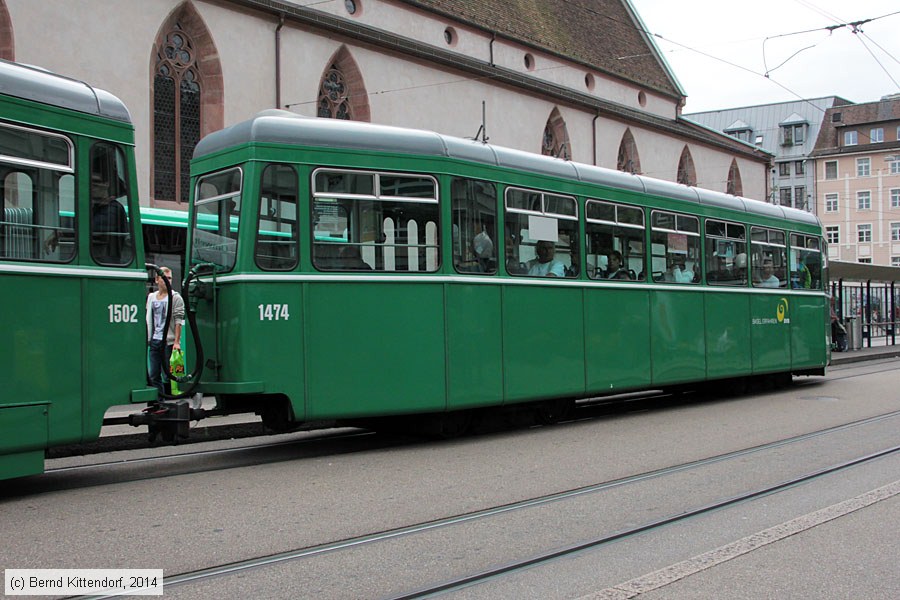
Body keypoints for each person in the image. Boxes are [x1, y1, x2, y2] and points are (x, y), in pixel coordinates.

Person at [146, 266, 185, 396]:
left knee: (168, 374)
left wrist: (177, 341)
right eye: (165, 278)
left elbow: (178, 320)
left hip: (168, 341)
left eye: (170, 278)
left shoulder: (175, 297)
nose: (168, 281)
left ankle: (170, 397)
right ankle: (159, 401)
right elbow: (148, 318)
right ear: (157, 280)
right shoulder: (151, 297)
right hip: (155, 340)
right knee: (153, 374)